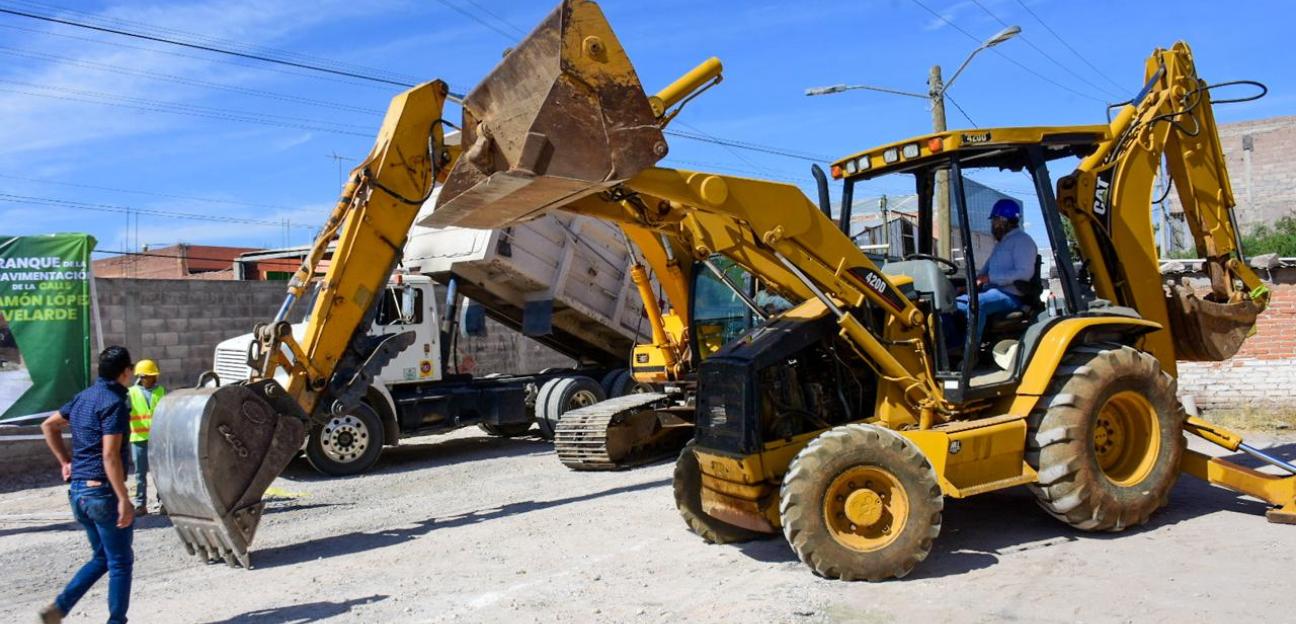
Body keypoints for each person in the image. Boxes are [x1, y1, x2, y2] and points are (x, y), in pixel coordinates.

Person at [38, 346, 136, 624]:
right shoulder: (114, 403)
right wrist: (123, 498)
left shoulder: (84, 397)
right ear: (125, 372)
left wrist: (65, 462)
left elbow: (49, 425)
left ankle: (59, 608)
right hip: (102, 493)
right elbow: (109, 455)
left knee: (103, 557)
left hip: (79, 493)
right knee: (120, 562)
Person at [949, 198, 1038, 351]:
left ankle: (970, 352)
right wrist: (967, 287)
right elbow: (984, 271)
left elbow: (1024, 273)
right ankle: (951, 346)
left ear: (1005, 221)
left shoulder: (1023, 241)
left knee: (976, 303)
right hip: (993, 292)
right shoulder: (1002, 243)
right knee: (949, 304)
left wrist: (990, 278)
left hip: (1012, 296)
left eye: (995, 220)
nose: (992, 225)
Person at [126, 359, 166, 515]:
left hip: (157, 438)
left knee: (160, 473)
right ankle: (140, 504)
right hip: (138, 439)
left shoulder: (161, 391)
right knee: (140, 474)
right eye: (148, 376)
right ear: (141, 376)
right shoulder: (131, 393)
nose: (151, 379)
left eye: (152, 376)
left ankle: (163, 503)